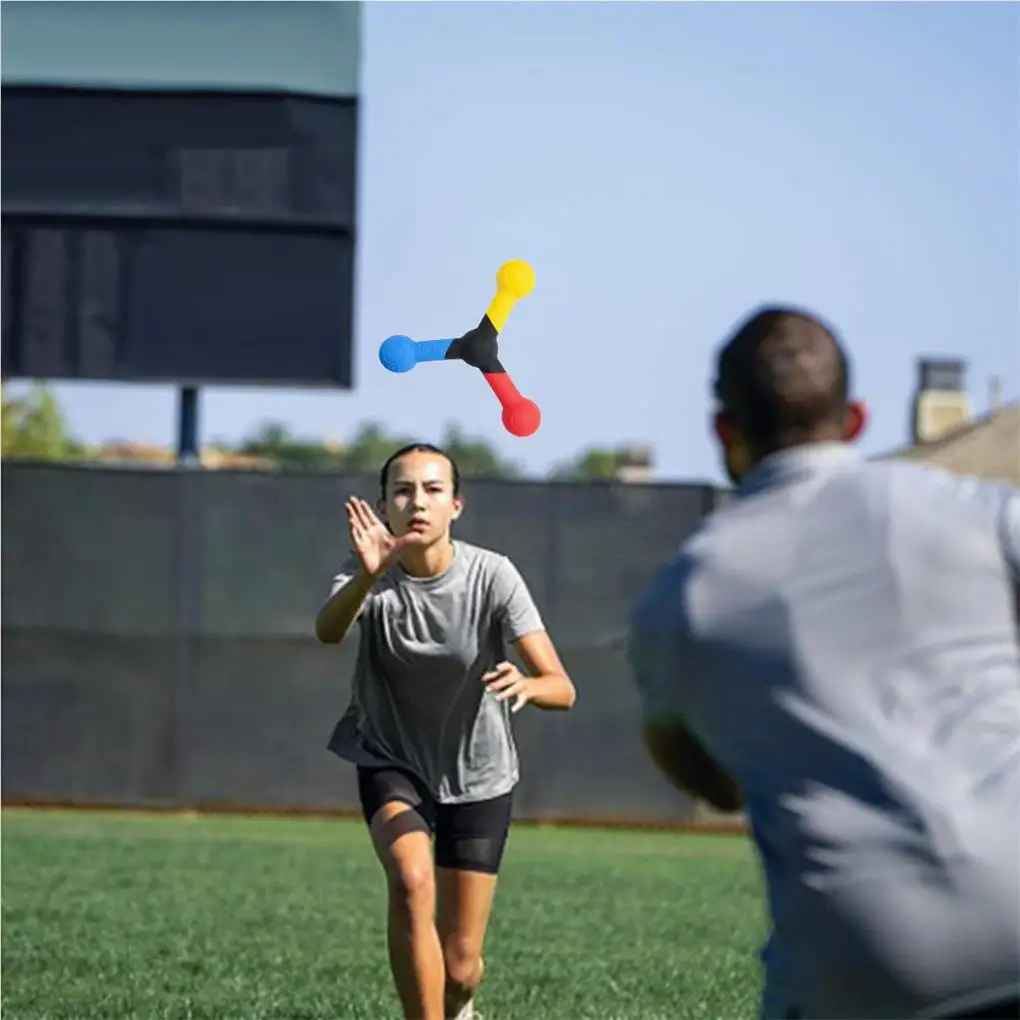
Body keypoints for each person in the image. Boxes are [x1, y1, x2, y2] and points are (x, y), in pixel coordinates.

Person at [628, 307, 1020, 1020]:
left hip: (863, 973)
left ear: (725, 432)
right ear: (859, 417)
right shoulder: (986, 513)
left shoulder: (682, 597)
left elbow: (709, 780)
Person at [315, 442, 576, 1020]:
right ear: (384, 506)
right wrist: (367, 575)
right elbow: (329, 631)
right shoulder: (366, 573)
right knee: (410, 881)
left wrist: (530, 686)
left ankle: (460, 1008)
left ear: (456, 505)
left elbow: (563, 686)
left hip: (478, 772)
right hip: (390, 755)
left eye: (433, 490)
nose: (418, 503)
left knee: (460, 967)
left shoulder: (493, 575)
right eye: (403, 491)